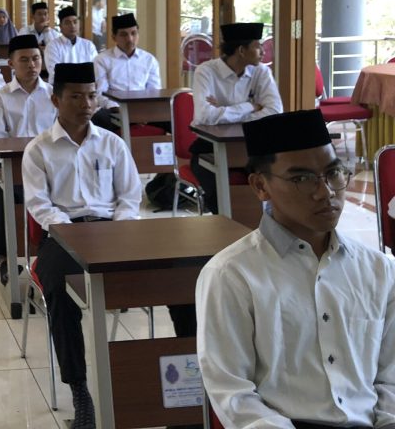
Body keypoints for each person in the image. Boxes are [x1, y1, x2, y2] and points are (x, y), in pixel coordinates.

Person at [196, 109, 395, 429]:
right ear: (260, 186)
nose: (326, 192)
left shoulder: (380, 270)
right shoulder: (231, 275)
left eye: (333, 173)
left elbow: (391, 379)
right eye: (301, 178)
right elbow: (232, 393)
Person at [24, 62, 195, 429]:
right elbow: (39, 205)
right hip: (64, 236)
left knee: (181, 277)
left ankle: (192, 385)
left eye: (91, 95)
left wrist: (117, 234)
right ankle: (80, 390)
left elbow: (130, 197)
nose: (86, 103)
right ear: (56, 100)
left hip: (116, 232)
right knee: (58, 289)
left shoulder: (113, 143)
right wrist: (74, 234)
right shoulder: (38, 150)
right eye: (75, 96)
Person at [190, 22, 283, 213]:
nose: (263, 52)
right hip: (210, 147)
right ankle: (225, 229)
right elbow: (204, 116)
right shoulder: (206, 71)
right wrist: (251, 107)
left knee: (274, 181)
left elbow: (275, 111)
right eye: (257, 46)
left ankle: (262, 228)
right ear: (241, 50)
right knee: (218, 191)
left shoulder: (261, 72)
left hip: (252, 145)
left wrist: (226, 111)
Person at [0, 34, 56, 285]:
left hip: (51, 167)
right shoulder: (0, 97)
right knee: (4, 193)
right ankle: (6, 257)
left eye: (36, 58)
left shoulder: (53, 95)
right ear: (11, 64)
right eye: (24, 60)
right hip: (13, 166)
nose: (31, 65)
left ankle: (53, 252)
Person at [92, 12, 160, 130]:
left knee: (172, 119)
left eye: (133, 33)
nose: (130, 39)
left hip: (143, 111)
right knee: (98, 118)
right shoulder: (102, 60)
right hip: (114, 111)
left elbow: (154, 92)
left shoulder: (149, 60)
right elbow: (100, 93)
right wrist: (120, 110)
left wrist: (143, 112)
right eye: (124, 35)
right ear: (114, 37)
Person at [46, 6, 97, 74]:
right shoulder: (53, 46)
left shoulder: (88, 45)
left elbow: (96, 69)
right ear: (61, 26)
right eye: (67, 23)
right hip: (61, 84)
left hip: (86, 84)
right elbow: (55, 72)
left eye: (75, 22)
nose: (72, 25)